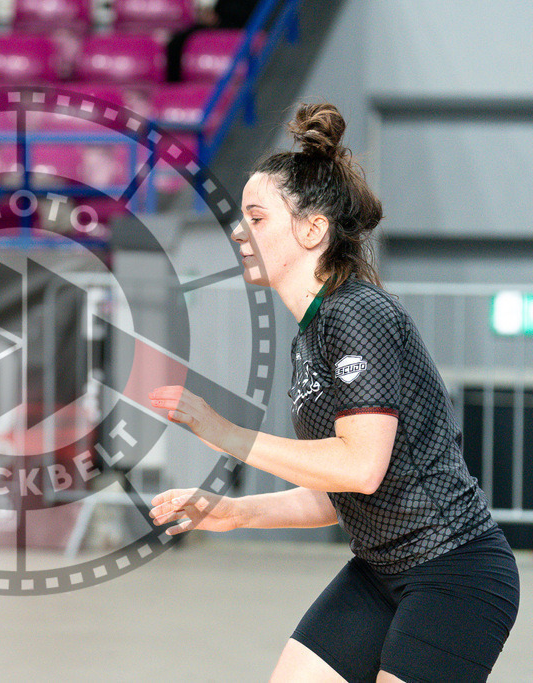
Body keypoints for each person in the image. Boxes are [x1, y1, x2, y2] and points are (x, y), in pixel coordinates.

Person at [148, 103, 519, 682]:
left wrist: (228, 435)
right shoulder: (313, 332)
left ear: (313, 229)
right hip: (379, 569)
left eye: (256, 218)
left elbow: (360, 465)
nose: (239, 233)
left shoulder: (357, 312)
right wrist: (235, 513)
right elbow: (336, 494)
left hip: (455, 575)